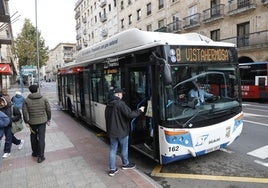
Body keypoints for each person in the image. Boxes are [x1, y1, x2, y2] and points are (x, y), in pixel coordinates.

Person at [105, 88, 145, 177]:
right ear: (118, 94)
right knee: (124, 148)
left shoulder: (108, 104)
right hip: (122, 131)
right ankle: (125, 164)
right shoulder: (120, 104)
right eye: (121, 94)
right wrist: (140, 110)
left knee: (112, 149)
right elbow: (130, 114)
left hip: (112, 132)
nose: (122, 95)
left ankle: (112, 169)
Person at [22, 84, 51, 163]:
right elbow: (48, 109)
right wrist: (49, 119)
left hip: (32, 122)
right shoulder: (44, 98)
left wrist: (26, 121)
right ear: (37, 89)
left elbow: (24, 112)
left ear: (30, 91)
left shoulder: (26, 100)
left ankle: (35, 153)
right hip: (42, 122)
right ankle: (41, 156)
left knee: (33, 136)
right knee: (41, 138)